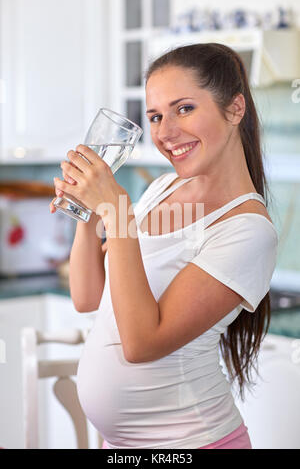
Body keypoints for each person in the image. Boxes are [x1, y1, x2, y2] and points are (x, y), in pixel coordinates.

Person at [50, 43, 278, 449]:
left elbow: (141, 344)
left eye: (184, 108)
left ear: (235, 109)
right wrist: (86, 212)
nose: (165, 133)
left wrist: (115, 212)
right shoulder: (160, 190)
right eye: (155, 116)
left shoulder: (247, 230)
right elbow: (89, 298)